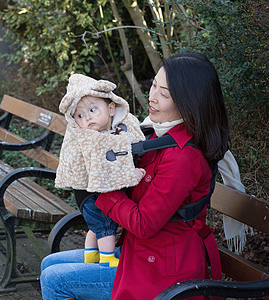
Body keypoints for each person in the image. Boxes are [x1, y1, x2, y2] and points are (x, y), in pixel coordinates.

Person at [41, 52, 230, 300]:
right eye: (153, 85)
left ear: (188, 102)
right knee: (49, 264)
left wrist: (101, 190)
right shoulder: (157, 134)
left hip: (161, 269)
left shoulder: (183, 157)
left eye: (164, 94)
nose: (152, 97)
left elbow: (144, 223)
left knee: (53, 279)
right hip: (139, 250)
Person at [55, 74, 146, 268]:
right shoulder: (93, 139)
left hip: (84, 196)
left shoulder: (112, 130)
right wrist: (131, 174)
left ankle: (90, 255)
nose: (87, 118)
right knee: (105, 226)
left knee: (95, 227)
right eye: (79, 115)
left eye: (92, 110)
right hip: (93, 196)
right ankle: (107, 258)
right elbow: (110, 168)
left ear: (111, 108)